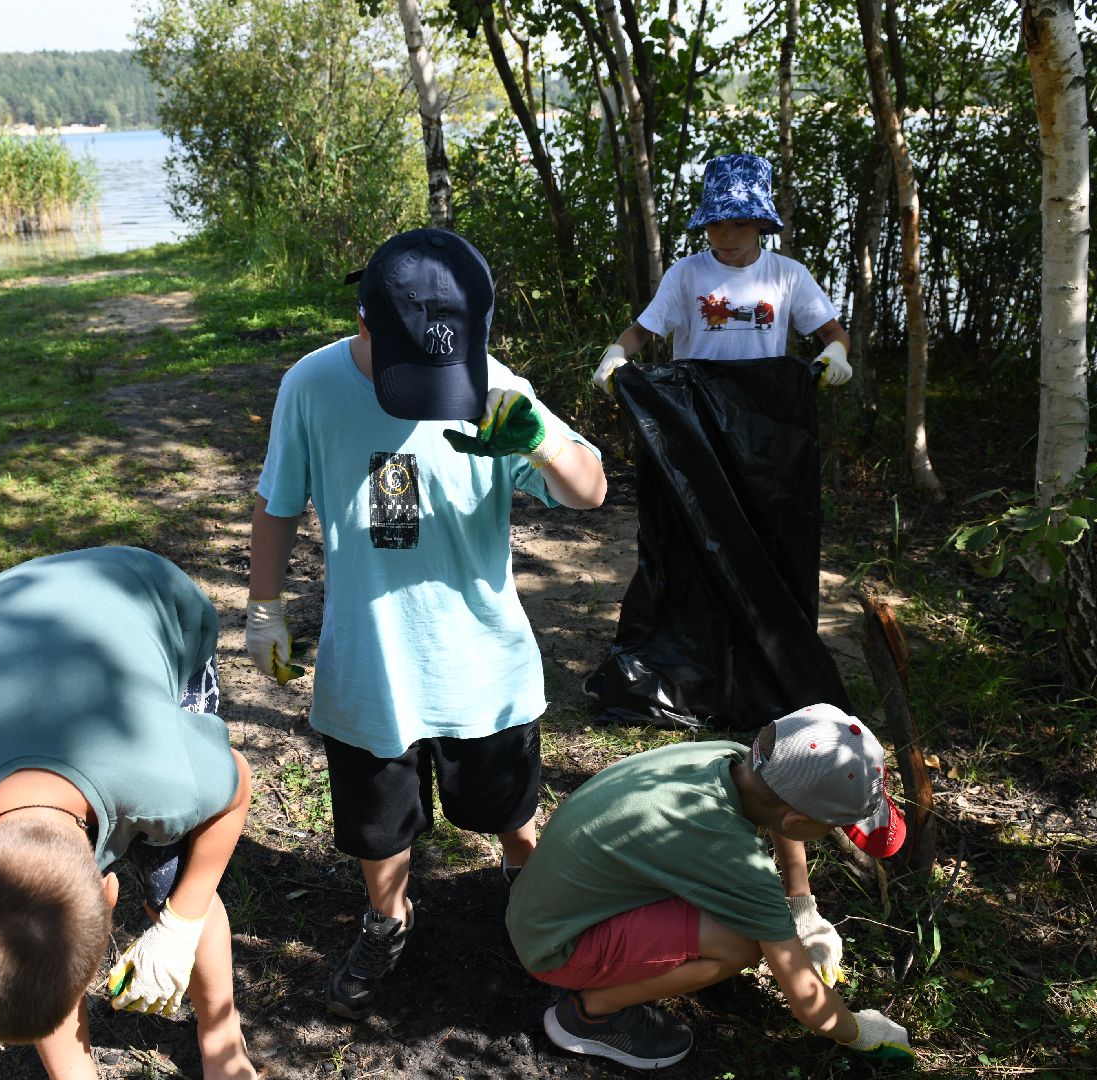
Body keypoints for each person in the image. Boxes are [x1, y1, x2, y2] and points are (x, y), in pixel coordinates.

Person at [244, 228, 608, 1020]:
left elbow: (591, 491)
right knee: (378, 830)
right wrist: (264, 607)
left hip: (480, 663)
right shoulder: (311, 386)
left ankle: (533, 900)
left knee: (509, 812)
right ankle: (387, 920)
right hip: (370, 663)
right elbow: (276, 505)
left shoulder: (498, 388)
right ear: (366, 321)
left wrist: (542, 441)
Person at [0, 546, 256, 1080]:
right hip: (6, 600)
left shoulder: (163, 778)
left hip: (151, 597)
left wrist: (181, 922)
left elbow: (237, 785)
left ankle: (222, 1037)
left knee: (174, 882)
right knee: (44, 947)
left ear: (109, 891)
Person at [505, 703, 914, 1070]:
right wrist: (857, 1032)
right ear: (798, 821)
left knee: (743, 921)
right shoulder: (734, 858)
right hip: (554, 948)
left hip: (543, 904)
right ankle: (587, 1016)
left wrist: (802, 904)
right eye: (835, 826)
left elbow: (780, 815)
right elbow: (809, 1005)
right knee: (744, 942)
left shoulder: (729, 758)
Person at [591, 151, 852, 395]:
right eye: (715, 223)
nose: (727, 236)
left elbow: (833, 333)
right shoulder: (686, 274)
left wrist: (836, 353)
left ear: (762, 222)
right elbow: (640, 332)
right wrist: (616, 353)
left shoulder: (788, 275)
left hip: (764, 407)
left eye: (740, 224)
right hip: (696, 409)